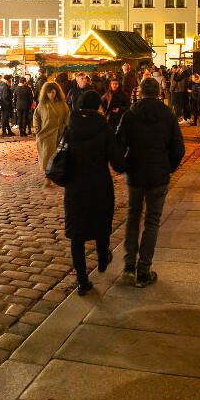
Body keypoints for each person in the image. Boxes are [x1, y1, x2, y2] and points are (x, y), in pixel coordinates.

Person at [116, 77, 185, 286]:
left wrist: (124, 165)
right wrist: (169, 167)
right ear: (159, 92)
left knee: (133, 217)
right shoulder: (167, 115)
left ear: (140, 92)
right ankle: (143, 271)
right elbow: (178, 149)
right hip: (158, 174)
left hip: (136, 173)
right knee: (152, 222)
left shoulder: (130, 115)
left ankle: (129, 266)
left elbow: (118, 145)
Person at [62, 90, 125, 294]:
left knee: (77, 237)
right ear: (98, 106)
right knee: (102, 226)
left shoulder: (69, 129)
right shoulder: (104, 128)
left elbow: (61, 156)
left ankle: (82, 281)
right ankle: (101, 258)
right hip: (100, 185)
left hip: (75, 186)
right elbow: (116, 161)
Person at [32, 81, 69, 188]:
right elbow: (36, 117)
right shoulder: (42, 104)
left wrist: (67, 130)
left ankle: (57, 176)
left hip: (59, 134)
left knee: (58, 157)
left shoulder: (63, 104)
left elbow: (67, 118)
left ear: (57, 92)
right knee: (46, 157)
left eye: (53, 92)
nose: (51, 95)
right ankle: (47, 178)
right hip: (45, 135)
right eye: (49, 93)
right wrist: (38, 130)